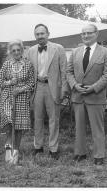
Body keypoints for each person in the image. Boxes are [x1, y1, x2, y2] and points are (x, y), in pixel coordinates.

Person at [66, 24, 107, 165]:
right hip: (78, 96)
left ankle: (99, 155)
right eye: (83, 33)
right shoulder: (75, 52)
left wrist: (93, 87)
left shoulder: (106, 52)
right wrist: (74, 85)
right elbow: (68, 72)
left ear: (96, 34)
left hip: (96, 96)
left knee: (97, 128)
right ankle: (80, 153)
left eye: (89, 33)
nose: (86, 36)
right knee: (79, 127)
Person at [27, 24, 68, 159]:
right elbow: (29, 71)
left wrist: (64, 89)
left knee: (54, 119)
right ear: (35, 36)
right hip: (37, 88)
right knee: (37, 119)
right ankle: (38, 147)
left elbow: (64, 71)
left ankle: (53, 148)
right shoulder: (31, 51)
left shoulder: (59, 48)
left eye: (42, 33)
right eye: (37, 34)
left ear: (48, 34)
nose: (40, 36)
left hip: (53, 88)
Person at [0, 39, 35, 164]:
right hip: (7, 97)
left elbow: (31, 83)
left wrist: (20, 89)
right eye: (13, 50)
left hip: (22, 98)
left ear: (22, 50)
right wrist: (10, 83)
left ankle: (16, 151)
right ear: (10, 52)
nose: (16, 52)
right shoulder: (6, 64)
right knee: (9, 121)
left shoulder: (28, 64)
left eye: (18, 50)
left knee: (19, 126)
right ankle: (8, 146)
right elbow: (0, 82)